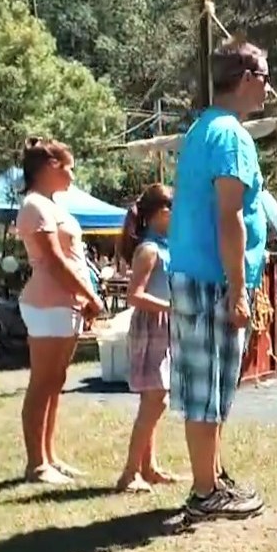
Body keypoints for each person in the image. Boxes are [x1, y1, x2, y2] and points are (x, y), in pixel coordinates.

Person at [168, 39, 271, 521]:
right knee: (209, 389)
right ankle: (206, 493)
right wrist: (238, 289)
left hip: (195, 272)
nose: (269, 87)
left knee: (206, 387)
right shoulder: (230, 135)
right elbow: (230, 216)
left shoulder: (203, 128)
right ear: (246, 78)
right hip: (214, 279)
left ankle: (211, 475)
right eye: (265, 77)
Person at [15, 139, 105, 485]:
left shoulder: (53, 205)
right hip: (47, 302)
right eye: (68, 167)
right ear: (51, 165)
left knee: (56, 381)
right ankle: (36, 465)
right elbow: (53, 260)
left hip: (66, 302)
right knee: (42, 382)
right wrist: (89, 296)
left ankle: (50, 457)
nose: (72, 174)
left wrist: (83, 298)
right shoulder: (34, 206)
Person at [116, 184, 181, 493]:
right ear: (163, 213)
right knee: (156, 399)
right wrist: (171, 308)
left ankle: (148, 467)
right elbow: (134, 295)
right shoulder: (149, 249)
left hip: (164, 326)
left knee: (155, 400)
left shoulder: (166, 245)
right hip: (152, 326)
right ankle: (129, 474)